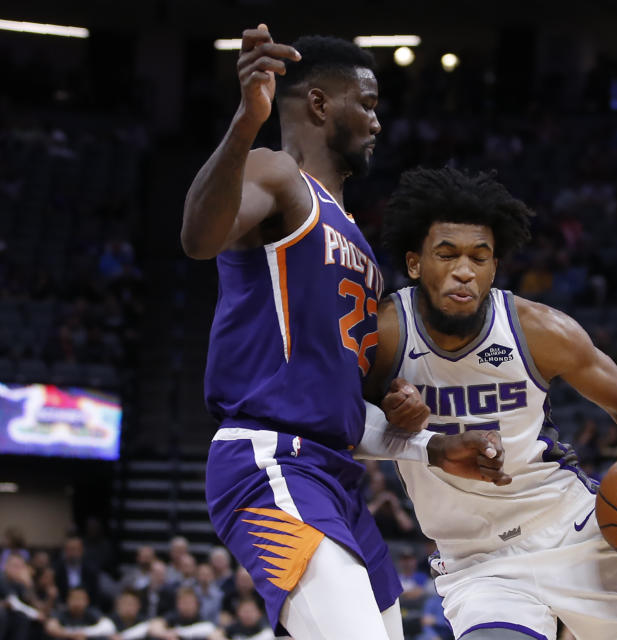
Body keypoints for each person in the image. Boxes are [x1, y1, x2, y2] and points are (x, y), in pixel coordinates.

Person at [181, 25, 510, 640]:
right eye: (368, 103)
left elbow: (336, 407)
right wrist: (246, 123)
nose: (377, 122)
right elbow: (199, 239)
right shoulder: (275, 173)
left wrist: (428, 443)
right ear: (319, 103)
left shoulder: (355, 236)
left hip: (334, 475)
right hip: (269, 461)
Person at [367, 166, 617, 639]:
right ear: (416, 262)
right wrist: (390, 413)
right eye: (447, 254)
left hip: (573, 533)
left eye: (479, 257)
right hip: (479, 561)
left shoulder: (540, 331)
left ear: (494, 266)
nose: (464, 270)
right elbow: (336, 425)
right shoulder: (384, 335)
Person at [45, 587, 116, 640]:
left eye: (80, 599)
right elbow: (51, 628)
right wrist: (72, 635)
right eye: (74, 598)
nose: (77, 603)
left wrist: (85, 633)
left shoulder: (92, 613)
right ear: (68, 600)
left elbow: (108, 627)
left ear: (87, 601)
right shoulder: (61, 612)